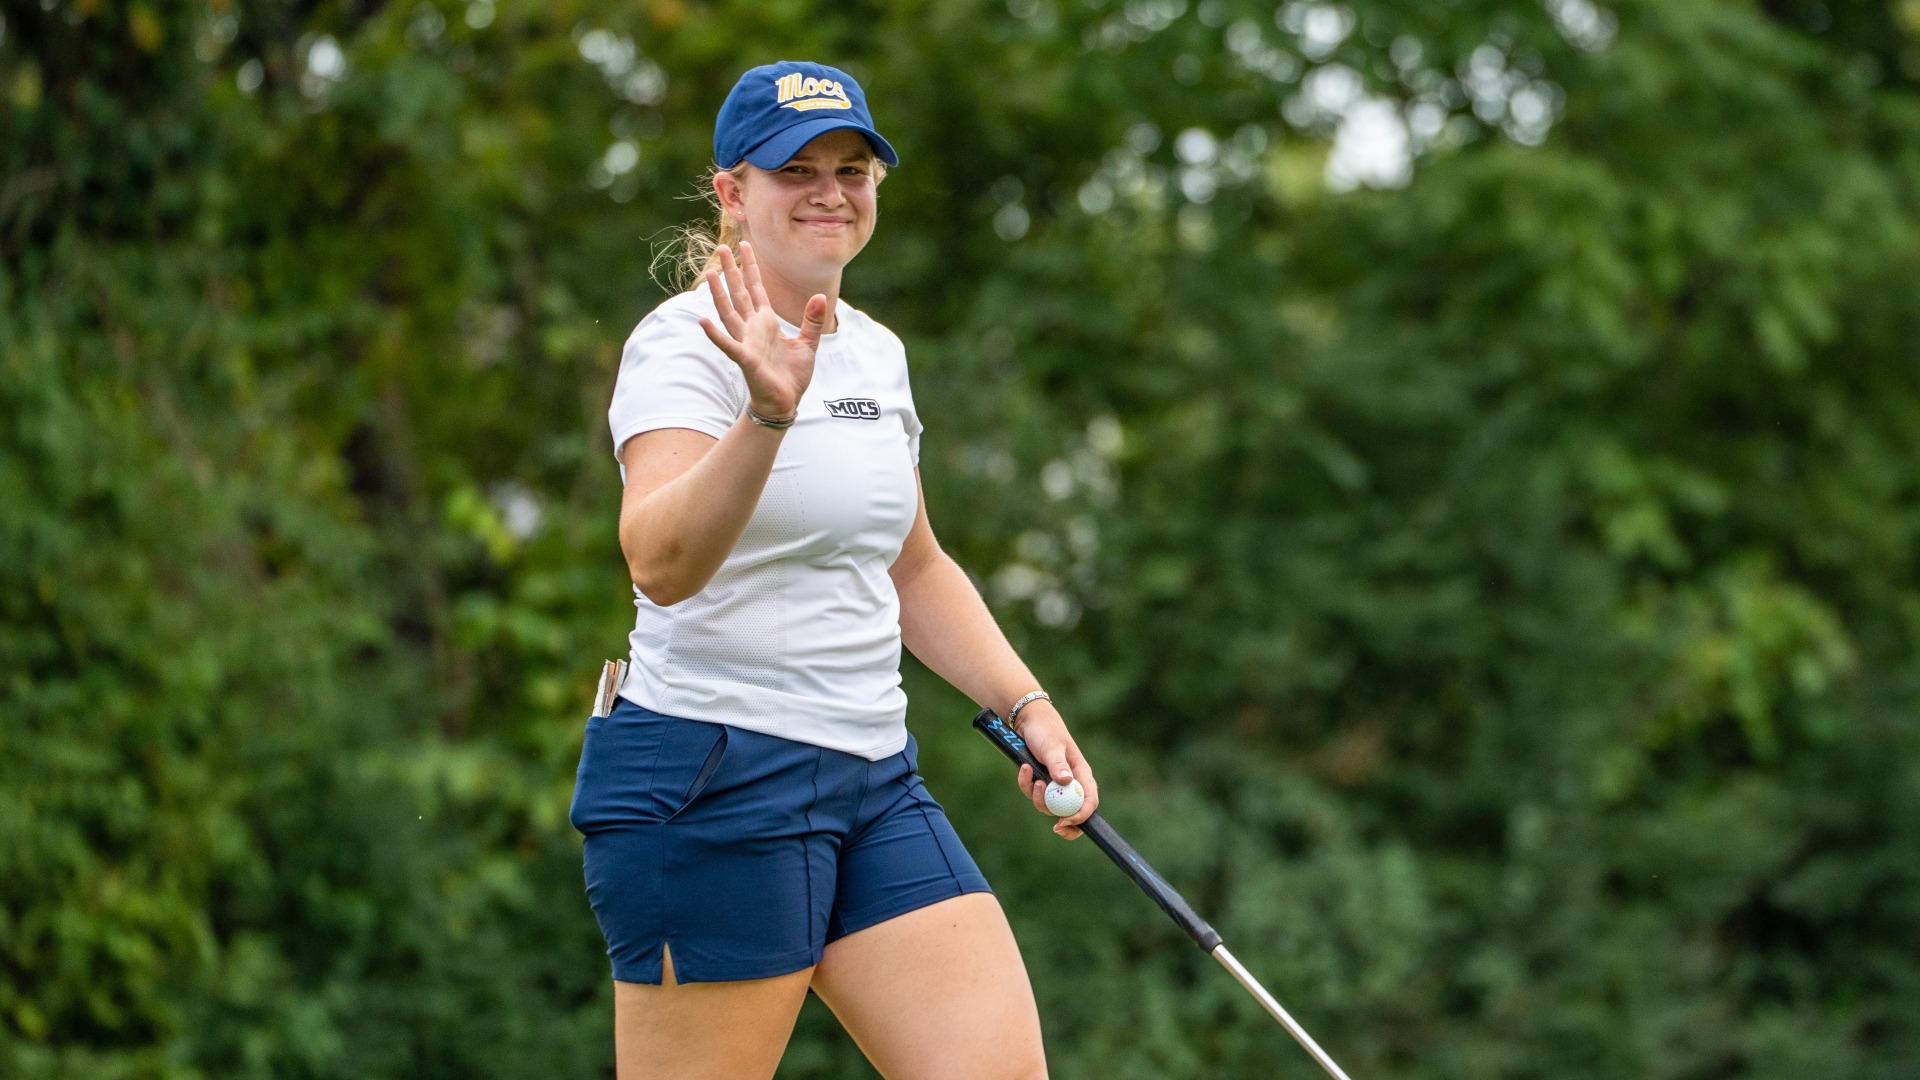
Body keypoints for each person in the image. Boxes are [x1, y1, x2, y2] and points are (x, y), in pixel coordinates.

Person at [568, 61, 1100, 1080]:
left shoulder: (875, 354)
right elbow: (660, 563)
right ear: (731, 191)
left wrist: (1025, 702)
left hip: (872, 777)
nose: (829, 191)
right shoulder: (681, 347)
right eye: (794, 169)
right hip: (712, 780)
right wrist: (767, 412)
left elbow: (914, 567)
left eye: (851, 168)